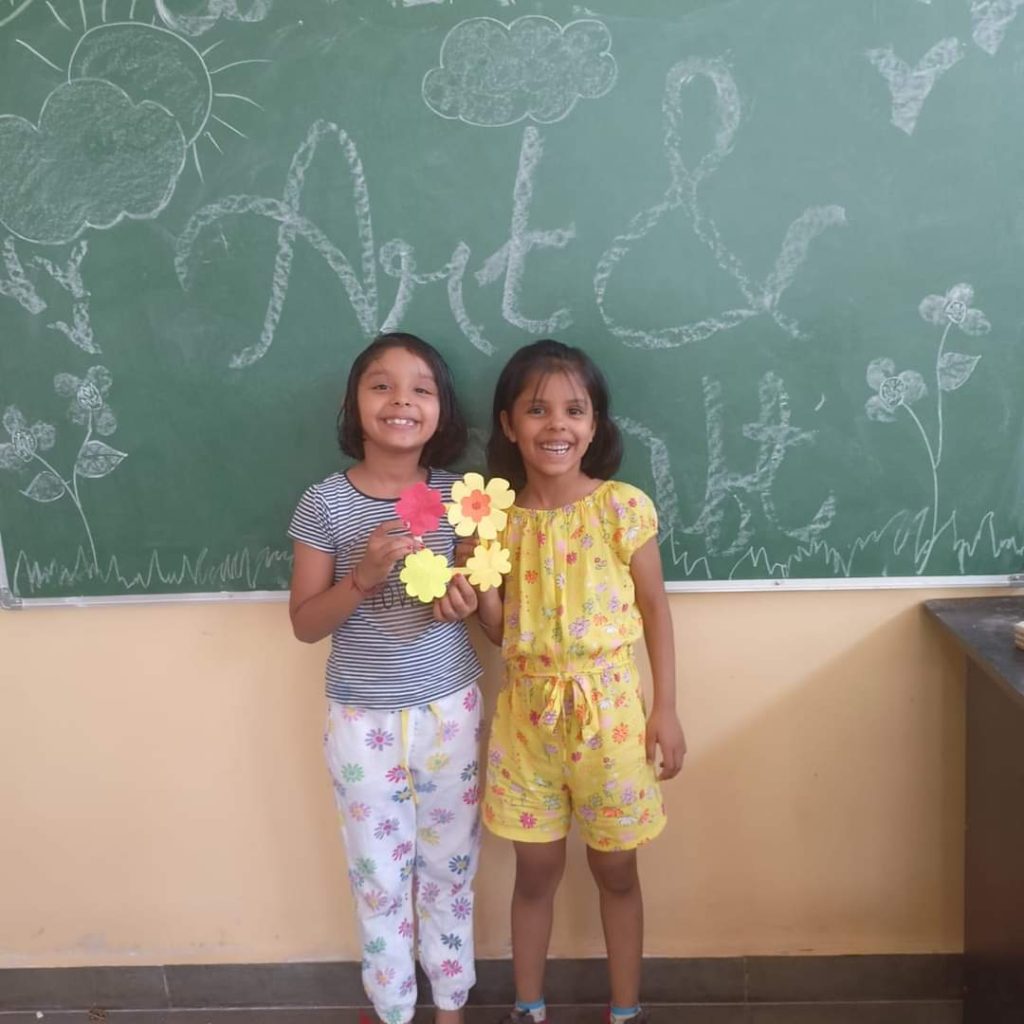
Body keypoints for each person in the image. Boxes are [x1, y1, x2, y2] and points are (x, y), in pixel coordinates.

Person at [476, 339, 687, 1024]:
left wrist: (665, 709)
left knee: (616, 871)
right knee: (534, 872)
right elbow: (500, 629)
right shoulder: (496, 522)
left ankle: (625, 1008)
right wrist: (474, 584)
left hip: (613, 717)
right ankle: (528, 1006)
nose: (556, 425)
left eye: (574, 410)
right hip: (527, 721)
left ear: (595, 425)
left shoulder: (621, 507)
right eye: (536, 409)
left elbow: (655, 609)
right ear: (509, 424)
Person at [288, 332, 483, 1024]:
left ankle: (451, 1006)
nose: (401, 400)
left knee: (450, 870)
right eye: (382, 385)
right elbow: (306, 624)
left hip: (448, 710)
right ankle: (394, 1009)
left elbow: (485, 596)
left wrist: (467, 599)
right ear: (355, 403)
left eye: (421, 389)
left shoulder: (463, 498)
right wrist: (364, 576)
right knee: (378, 877)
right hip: (362, 718)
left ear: (442, 408)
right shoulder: (325, 505)